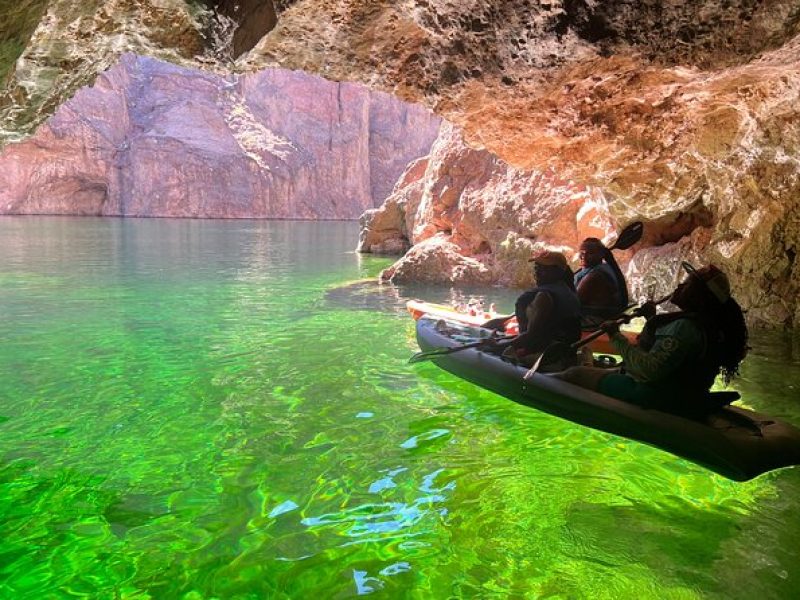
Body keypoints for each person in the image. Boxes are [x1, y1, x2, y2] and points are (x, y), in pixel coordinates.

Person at [557, 262, 749, 413]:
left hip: (658, 396)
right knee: (592, 360)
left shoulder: (686, 327)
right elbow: (673, 352)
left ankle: (541, 380)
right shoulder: (709, 326)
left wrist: (615, 336)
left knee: (574, 374)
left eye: (688, 283)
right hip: (683, 393)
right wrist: (652, 318)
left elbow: (649, 370)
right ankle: (590, 368)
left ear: (699, 296)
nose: (681, 285)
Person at [484, 250, 581, 371]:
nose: (537, 271)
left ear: (557, 272)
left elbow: (531, 336)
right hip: (563, 353)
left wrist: (497, 346)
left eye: (544, 268)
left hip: (545, 356)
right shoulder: (570, 292)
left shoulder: (544, 297)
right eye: (537, 267)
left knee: (487, 348)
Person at [573, 237, 629, 320]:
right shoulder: (605, 267)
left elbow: (574, 303)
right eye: (582, 253)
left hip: (594, 320)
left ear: (601, 255)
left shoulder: (594, 275)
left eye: (590, 253)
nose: (584, 257)